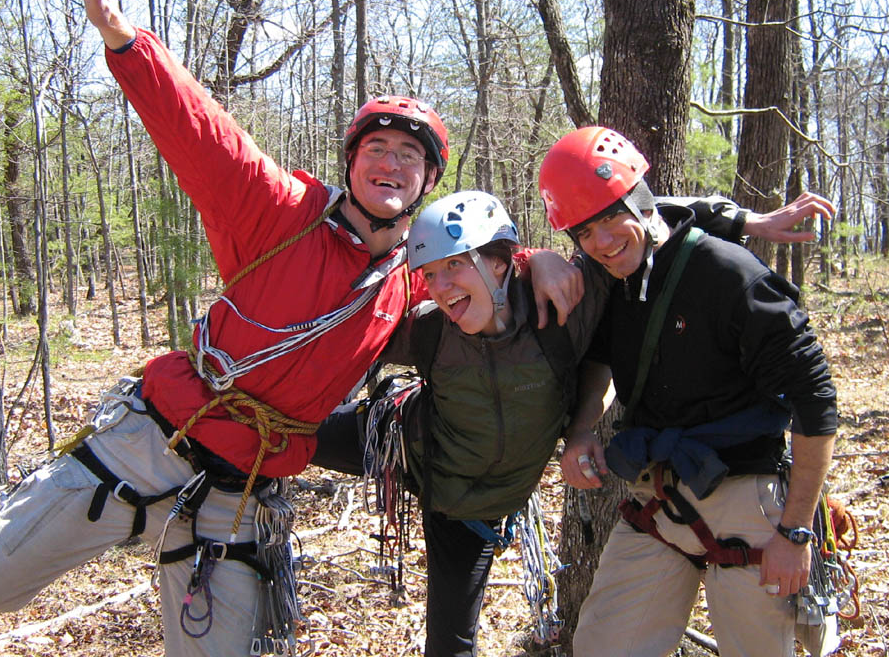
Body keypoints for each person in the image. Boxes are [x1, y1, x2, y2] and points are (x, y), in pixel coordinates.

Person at [0, 0, 580, 657]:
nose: (389, 164)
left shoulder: (407, 285)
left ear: (430, 181)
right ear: (352, 161)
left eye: (409, 156)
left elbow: (477, 282)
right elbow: (200, 131)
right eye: (376, 149)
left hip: (239, 498)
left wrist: (539, 257)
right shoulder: (280, 214)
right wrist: (124, 41)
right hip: (154, 439)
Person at [312, 187, 829, 657]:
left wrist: (744, 221)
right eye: (429, 274)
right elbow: (339, 324)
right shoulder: (426, 329)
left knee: (449, 645)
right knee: (283, 435)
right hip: (408, 447)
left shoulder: (564, 309)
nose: (440, 288)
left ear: (497, 264)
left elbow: (633, 218)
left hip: (470, 512)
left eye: (453, 267)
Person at [540, 127, 838, 657]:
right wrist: (582, 430)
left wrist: (795, 534)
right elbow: (602, 358)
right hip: (658, 501)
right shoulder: (617, 281)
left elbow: (815, 400)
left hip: (750, 502)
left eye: (612, 218)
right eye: (585, 232)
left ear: (642, 202)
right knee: (602, 647)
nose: (603, 242)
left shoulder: (730, 275)